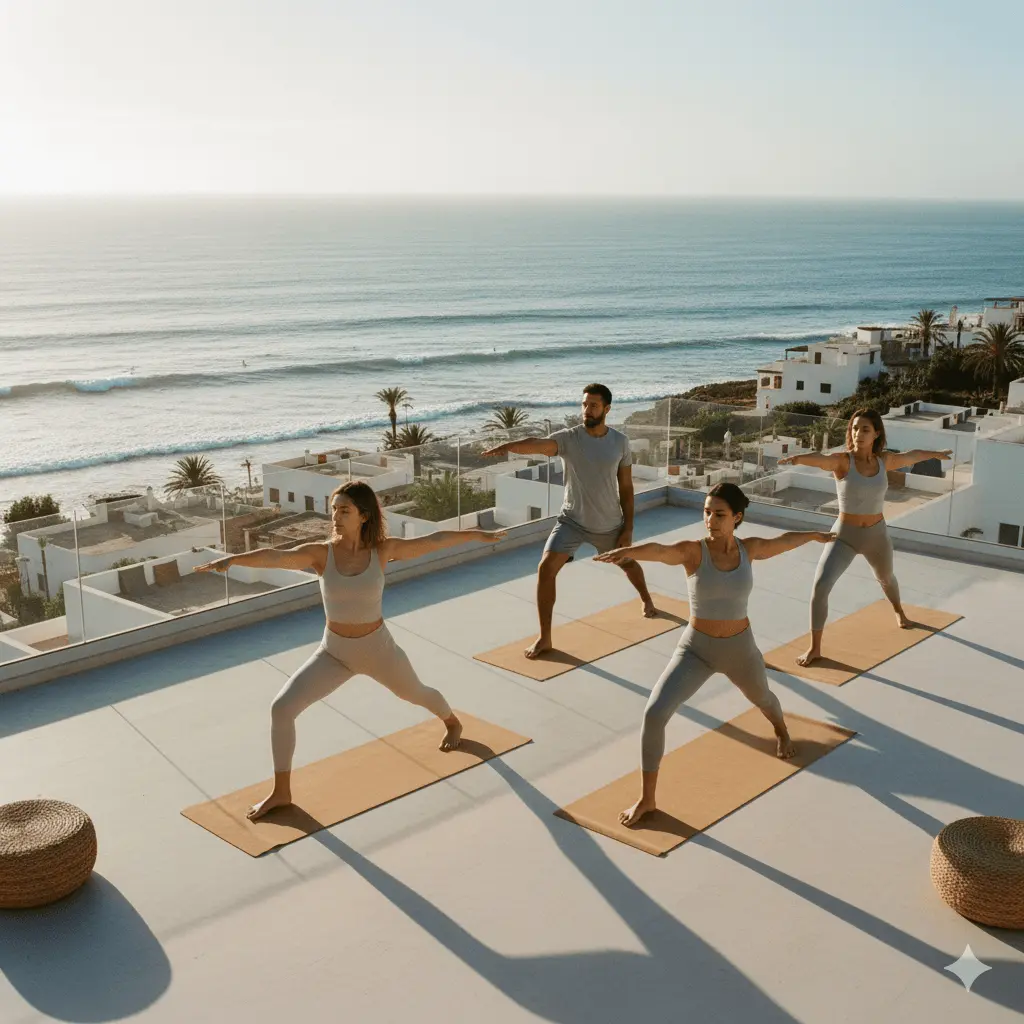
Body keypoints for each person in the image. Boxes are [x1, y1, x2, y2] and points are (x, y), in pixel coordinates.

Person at [195, 480, 506, 820]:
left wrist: (477, 534)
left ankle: (452, 722)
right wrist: (235, 559)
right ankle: (281, 791)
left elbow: (435, 541)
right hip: (334, 653)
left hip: (379, 650)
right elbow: (277, 557)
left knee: (416, 692)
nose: (336, 517)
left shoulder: (383, 551)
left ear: (364, 516)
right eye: (333, 510)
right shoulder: (320, 554)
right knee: (281, 709)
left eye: (344, 510)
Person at [595, 482, 833, 827]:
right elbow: (662, 551)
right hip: (696, 649)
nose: (711, 520)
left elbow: (782, 542)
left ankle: (781, 730)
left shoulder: (749, 550)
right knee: (654, 713)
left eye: (719, 514)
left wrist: (813, 534)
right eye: (707, 512)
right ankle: (648, 799)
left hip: (740, 650)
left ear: (737, 517)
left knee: (764, 698)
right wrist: (630, 551)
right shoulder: (694, 552)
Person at [482, 383, 656, 659]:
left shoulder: (620, 442)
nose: (587, 410)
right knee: (545, 568)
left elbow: (626, 488)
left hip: (608, 524)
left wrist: (628, 527)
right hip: (571, 520)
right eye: (584, 404)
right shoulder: (569, 439)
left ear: (607, 409)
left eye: (594, 405)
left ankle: (647, 599)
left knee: (628, 564)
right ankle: (545, 638)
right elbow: (538, 444)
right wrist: (508, 445)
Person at [778, 408, 952, 667]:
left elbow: (911, 456)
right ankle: (815, 648)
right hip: (844, 535)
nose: (858, 433)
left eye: (865, 429)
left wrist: (936, 454)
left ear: (876, 433)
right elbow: (822, 459)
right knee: (820, 587)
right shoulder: (843, 461)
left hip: (876, 535)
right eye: (855, 428)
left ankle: (899, 611)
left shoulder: (884, 461)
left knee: (886, 578)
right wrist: (798, 459)